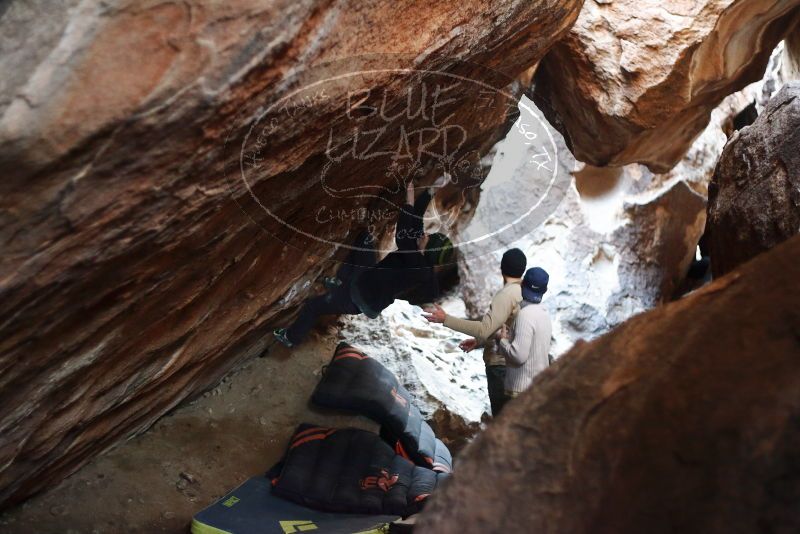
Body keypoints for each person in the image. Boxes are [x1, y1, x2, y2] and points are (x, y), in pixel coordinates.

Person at [274, 175, 454, 347]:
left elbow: (403, 232)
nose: (425, 235)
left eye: (429, 237)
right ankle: (342, 280)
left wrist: (409, 201)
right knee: (364, 240)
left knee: (313, 306)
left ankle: (291, 338)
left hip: (361, 298)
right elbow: (416, 222)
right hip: (368, 277)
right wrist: (432, 190)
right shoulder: (421, 255)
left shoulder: (417, 264)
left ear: (428, 249)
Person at [422, 248, 526, 416]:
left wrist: (446, 319)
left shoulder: (507, 295)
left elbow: (485, 329)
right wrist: (479, 341)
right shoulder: (526, 293)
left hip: (501, 367)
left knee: (502, 424)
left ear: (502, 268)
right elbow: (510, 329)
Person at [494, 266, 552, 414]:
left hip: (521, 392)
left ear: (522, 284)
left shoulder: (524, 316)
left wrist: (501, 340)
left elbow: (519, 356)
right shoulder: (544, 314)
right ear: (544, 290)